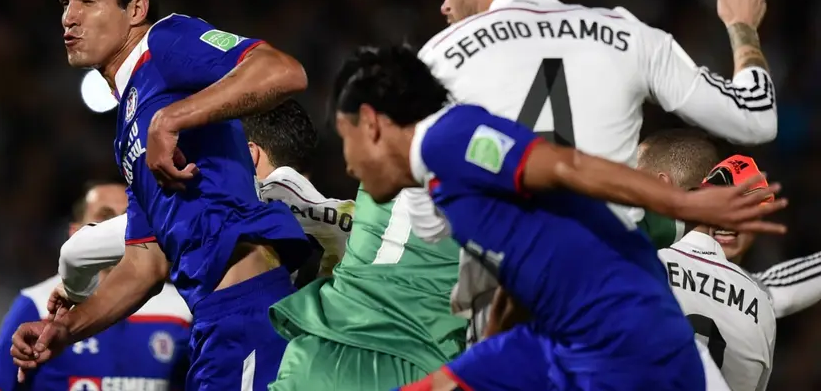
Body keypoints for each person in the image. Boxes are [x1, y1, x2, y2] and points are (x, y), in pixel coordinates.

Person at [416, 0, 778, 343]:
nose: (445, 4)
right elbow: (756, 118)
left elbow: (426, 225)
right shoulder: (629, 36)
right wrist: (742, 25)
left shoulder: (442, 55)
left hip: (506, 322)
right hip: (607, 314)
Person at [329, 45, 787, 391]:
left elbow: (569, 167)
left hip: (612, 333)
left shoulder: (449, 139)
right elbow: (530, 252)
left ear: (370, 124)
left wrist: (686, 206)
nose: (347, 165)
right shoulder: (440, 180)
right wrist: (491, 343)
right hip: (562, 334)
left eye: (344, 137)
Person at [12, 0, 312, 391]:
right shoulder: (126, 126)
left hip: (247, 311)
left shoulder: (165, 41)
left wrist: (173, 118)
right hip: (214, 323)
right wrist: (67, 329)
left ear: (135, 9)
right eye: (64, 2)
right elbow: (144, 263)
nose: (68, 17)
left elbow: (283, 71)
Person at [55, 99, 353, 305]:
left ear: (249, 156)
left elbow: (82, 249)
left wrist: (74, 289)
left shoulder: (229, 210)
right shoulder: (361, 223)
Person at [0, 182, 190, 391]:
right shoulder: (36, 306)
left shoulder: (181, 307)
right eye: (105, 217)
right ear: (75, 232)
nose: (118, 229)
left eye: (127, 217)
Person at [637, 131, 821, 319]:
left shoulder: (758, 294)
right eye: (721, 206)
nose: (727, 221)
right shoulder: (642, 266)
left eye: (743, 208)